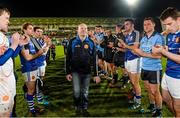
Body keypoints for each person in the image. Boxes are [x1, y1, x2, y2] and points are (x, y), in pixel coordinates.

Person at [66, 23, 100, 117]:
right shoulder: (72, 41)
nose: (83, 30)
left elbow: (94, 59)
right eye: (81, 28)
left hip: (87, 71)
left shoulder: (91, 42)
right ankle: (77, 106)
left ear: (87, 30)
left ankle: (84, 107)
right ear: (77, 30)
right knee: (76, 91)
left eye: (85, 28)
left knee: (85, 92)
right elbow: (68, 57)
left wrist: (96, 74)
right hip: (75, 71)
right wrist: (67, 72)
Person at [133, 17, 164, 117]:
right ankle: (152, 106)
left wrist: (142, 53)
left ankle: (159, 111)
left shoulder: (158, 37)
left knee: (155, 91)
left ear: (154, 25)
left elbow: (159, 55)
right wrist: (136, 52)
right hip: (144, 67)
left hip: (154, 69)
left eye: (148, 24)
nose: (146, 26)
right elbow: (141, 52)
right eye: (144, 24)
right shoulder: (143, 38)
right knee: (148, 89)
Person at [0, 6, 28, 117]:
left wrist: (19, 45)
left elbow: (11, 56)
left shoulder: (3, 36)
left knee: (10, 111)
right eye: (6, 18)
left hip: (8, 80)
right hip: (2, 84)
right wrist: (14, 44)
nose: (9, 21)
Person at [152, 7, 180, 117]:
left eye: (169, 24)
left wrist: (162, 51)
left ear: (178, 20)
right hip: (168, 73)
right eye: (165, 25)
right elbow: (169, 55)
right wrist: (162, 50)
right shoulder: (170, 34)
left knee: (178, 107)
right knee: (166, 99)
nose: (167, 27)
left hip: (178, 77)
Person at [19, 23, 48, 116]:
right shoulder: (24, 40)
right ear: (24, 30)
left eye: (32, 28)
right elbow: (27, 57)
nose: (32, 30)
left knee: (34, 89)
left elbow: (41, 50)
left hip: (34, 67)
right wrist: (39, 53)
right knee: (31, 90)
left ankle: (33, 106)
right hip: (28, 68)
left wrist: (44, 47)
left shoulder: (32, 39)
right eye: (30, 28)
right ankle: (32, 111)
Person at [121, 19, 142, 111]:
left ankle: (138, 102)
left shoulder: (136, 33)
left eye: (127, 24)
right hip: (127, 59)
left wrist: (124, 45)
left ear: (132, 25)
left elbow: (135, 48)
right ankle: (134, 97)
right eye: (125, 25)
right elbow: (127, 49)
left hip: (135, 60)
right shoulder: (127, 35)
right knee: (132, 82)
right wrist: (121, 46)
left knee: (135, 83)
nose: (125, 26)